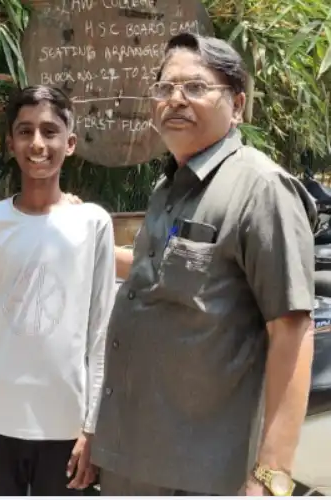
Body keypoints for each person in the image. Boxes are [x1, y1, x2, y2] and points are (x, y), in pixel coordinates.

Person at [92, 33, 316, 496]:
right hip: (131, 459)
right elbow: (168, 281)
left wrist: (271, 476)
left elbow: (292, 330)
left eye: (195, 87)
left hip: (202, 473)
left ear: (236, 105)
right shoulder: (168, 188)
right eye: (165, 88)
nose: (175, 99)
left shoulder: (261, 190)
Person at [0, 85, 117, 496]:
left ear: (71, 142)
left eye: (50, 131)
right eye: (25, 131)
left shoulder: (93, 224)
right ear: (10, 142)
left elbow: (100, 335)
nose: (38, 143)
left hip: (67, 425)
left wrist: (92, 427)